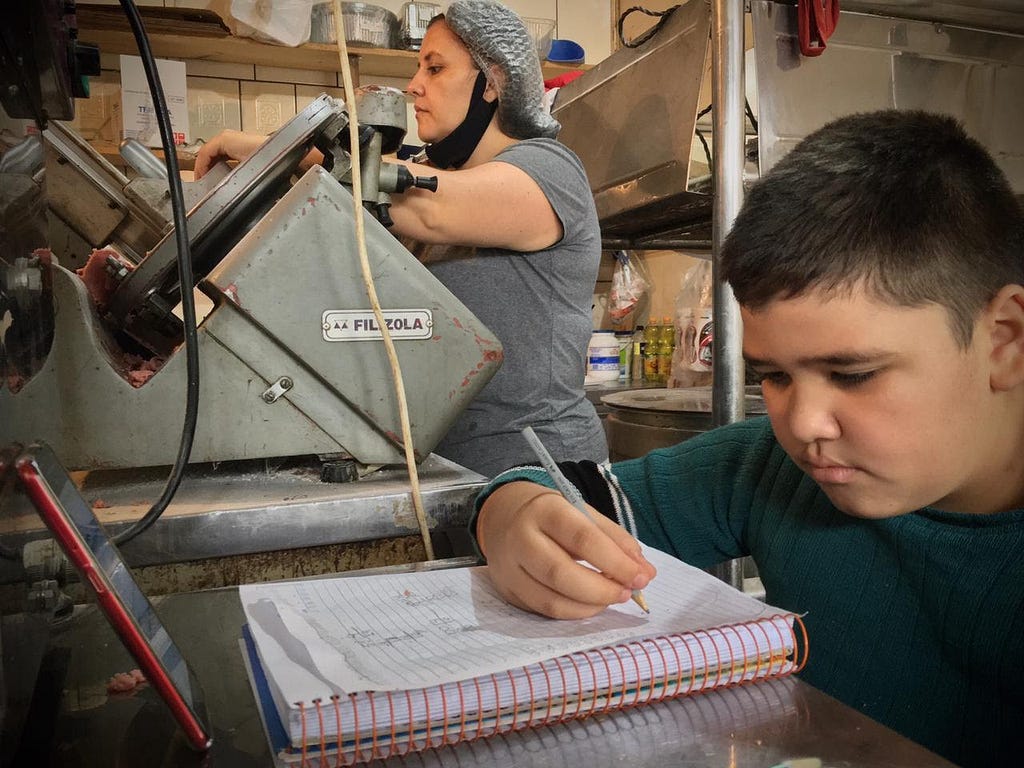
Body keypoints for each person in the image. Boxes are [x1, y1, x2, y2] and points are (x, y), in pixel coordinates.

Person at [471, 110, 1024, 768]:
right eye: (775, 377)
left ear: (1004, 342)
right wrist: (511, 515)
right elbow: (555, 494)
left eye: (854, 374)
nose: (802, 424)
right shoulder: (768, 467)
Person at [193, 0, 607, 478]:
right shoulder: (438, 174)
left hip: (542, 467)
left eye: (435, 68)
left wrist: (258, 151)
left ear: (493, 83)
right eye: (418, 68)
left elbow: (428, 207)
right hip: (449, 469)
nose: (414, 87)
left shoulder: (550, 171)